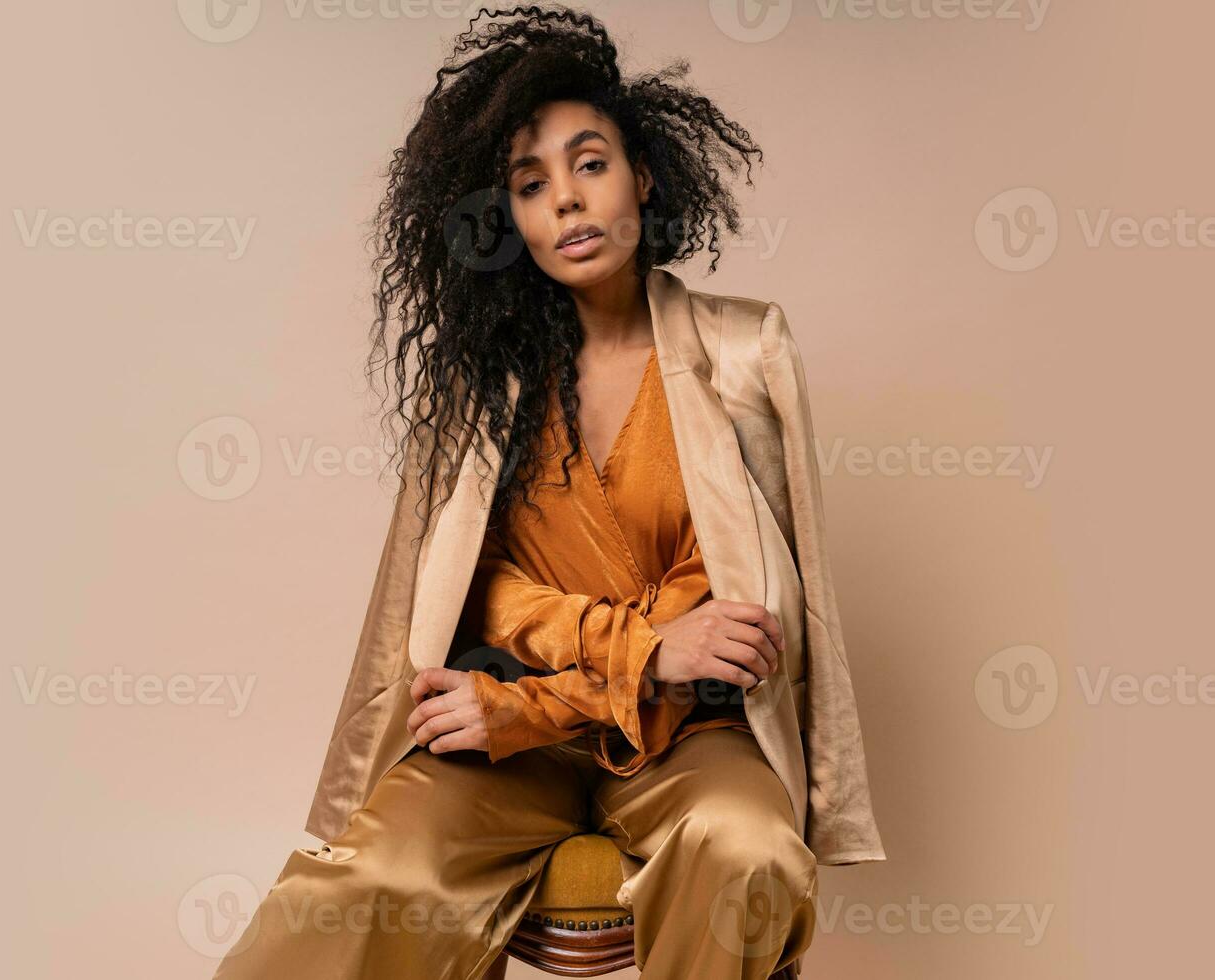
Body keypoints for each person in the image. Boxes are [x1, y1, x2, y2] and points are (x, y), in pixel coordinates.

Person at [212, 7, 883, 978]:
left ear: (644, 177)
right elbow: (481, 592)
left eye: (590, 164)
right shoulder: (483, 382)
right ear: (508, 218)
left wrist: (539, 697)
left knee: (747, 851)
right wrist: (614, 663)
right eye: (532, 184)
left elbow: (736, 607)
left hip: (686, 732)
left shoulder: (743, 350)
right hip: (513, 740)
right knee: (363, 886)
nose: (566, 202)